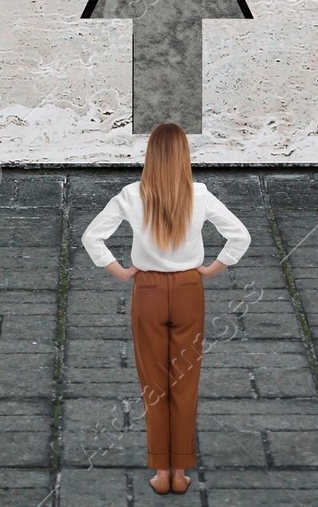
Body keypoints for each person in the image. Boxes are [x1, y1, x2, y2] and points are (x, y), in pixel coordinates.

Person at [81, 122, 251, 496]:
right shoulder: (200, 194)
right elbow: (240, 235)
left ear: (150, 157)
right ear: (184, 157)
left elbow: (92, 236)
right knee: (185, 381)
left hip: (148, 290)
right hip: (190, 288)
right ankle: (180, 470)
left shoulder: (131, 194)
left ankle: (160, 472)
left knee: (153, 384)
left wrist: (122, 272)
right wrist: (211, 269)